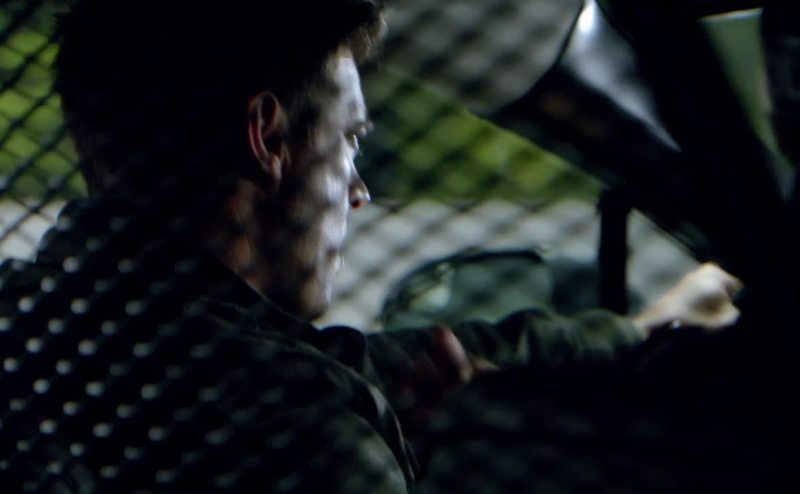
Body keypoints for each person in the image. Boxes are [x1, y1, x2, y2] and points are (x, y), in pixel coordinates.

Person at [0, 0, 744, 492]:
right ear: (268, 139)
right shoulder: (299, 428)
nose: (358, 192)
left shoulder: (55, 333)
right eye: (349, 141)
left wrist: (652, 326)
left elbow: (400, 359)